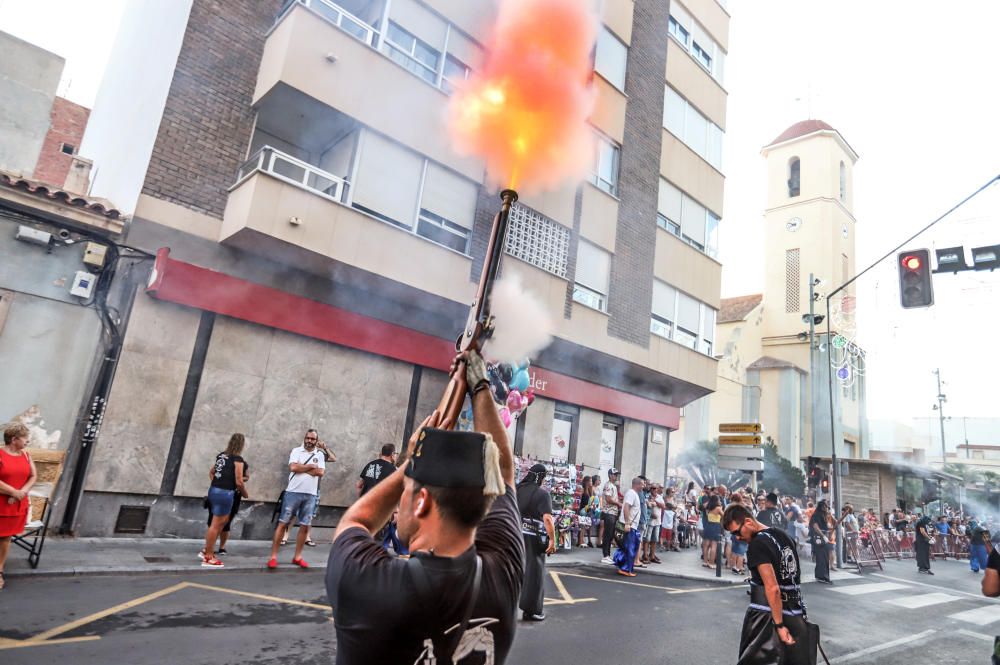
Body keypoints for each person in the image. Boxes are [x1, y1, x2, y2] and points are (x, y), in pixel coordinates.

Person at [325, 350, 522, 665]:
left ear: (422, 502)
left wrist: (408, 465)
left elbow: (355, 520)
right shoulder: (505, 572)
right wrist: (480, 387)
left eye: (405, 492)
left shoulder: (365, 580)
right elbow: (506, 473)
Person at [724, 503, 813, 665]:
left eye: (737, 532)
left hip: (766, 618)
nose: (737, 537)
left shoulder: (757, 544)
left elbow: (773, 588)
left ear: (749, 522)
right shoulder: (783, 535)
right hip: (795, 613)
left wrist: (779, 625)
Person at [267, 430, 326, 569]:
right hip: (293, 492)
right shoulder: (296, 451)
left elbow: (320, 472)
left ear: (316, 441)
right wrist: (310, 467)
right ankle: (273, 557)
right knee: (283, 523)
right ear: (304, 438)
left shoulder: (320, 455)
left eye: (312, 439)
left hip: (310, 495)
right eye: (308, 438)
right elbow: (293, 467)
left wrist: (302, 468)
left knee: (305, 526)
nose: (309, 440)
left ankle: (297, 557)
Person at [199, 433, 248, 568]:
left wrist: (218, 483)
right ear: (241, 445)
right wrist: (245, 493)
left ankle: (207, 551)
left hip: (213, 490)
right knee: (216, 525)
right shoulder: (238, 459)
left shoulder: (221, 456)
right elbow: (239, 481)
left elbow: (212, 472)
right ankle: (208, 557)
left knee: (218, 524)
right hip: (225, 493)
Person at [517, 463, 556, 621]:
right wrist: (552, 540)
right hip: (533, 537)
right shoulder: (542, 494)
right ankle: (531, 610)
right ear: (540, 477)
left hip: (515, 533)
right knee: (534, 571)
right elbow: (547, 519)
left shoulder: (516, 489)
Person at [0, 424, 37, 591]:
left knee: (5, 538)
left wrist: (22, 491)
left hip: (15, 505)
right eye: (25, 438)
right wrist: (14, 492)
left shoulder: (27, 456)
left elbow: (33, 475)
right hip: (2, 501)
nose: (28, 441)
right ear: (14, 439)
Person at [204, 449, 250, 557]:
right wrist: (218, 484)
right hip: (223, 494)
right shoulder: (223, 459)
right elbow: (212, 472)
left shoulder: (241, 463)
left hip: (232, 495)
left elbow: (245, 478)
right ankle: (208, 551)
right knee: (214, 523)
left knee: (225, 523)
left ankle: (220, 547)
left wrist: (236, 479)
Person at [613, 476, 643, 577]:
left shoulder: (633, 494)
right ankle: (625, 569)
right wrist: (627, 523)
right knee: (630, 548)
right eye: (642, 484)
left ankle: (624, 567)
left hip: (631, 525)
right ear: (637, 484)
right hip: (629, 525)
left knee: (627, 548)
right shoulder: (631, 493)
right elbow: (626, 507)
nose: (643, 486)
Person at [809, 500, 834, 584]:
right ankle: (822, 576)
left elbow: (825, 527)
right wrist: (823, 536)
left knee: (823, 557)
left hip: (823, 537)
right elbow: (815, 527)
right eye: (826, 506)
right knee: (822, 558)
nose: (827, 508)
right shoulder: (816, 515)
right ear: (822, 507)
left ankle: (820, 576)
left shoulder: (823, 515)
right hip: (819, 538)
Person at [599, 468, 621, 564]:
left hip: (612, 513)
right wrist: (619, 504)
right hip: (609, 512)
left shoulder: (613, 486)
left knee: (611, 534)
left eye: (616, 474)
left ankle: (607, 555)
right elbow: (608, 499)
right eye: (614, 474)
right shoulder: (608, 485)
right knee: (608, 535)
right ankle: (605, 556)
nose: (616, 476)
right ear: (610, 475)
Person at [644, 484, 664, 564]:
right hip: (649, 521)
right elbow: (646, 507)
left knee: (654, 540)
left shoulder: (659, 497)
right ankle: (645, 556)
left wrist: (655, 501)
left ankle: (652, 556)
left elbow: (663, 506)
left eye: (655, 488)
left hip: (657, 522)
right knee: (647, 539)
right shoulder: (647, 496)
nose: (654, 490)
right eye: (652, 488)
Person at [703, 494, 723, 568]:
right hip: (715, 526)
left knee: (706, 545)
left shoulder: (708, 508)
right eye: (719, 500)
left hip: (708, 525)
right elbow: (724, 516)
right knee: (713, 546)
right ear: (716, 501)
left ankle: (705, 562)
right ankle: (711, 563)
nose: (720, 501)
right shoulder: (718, 508)